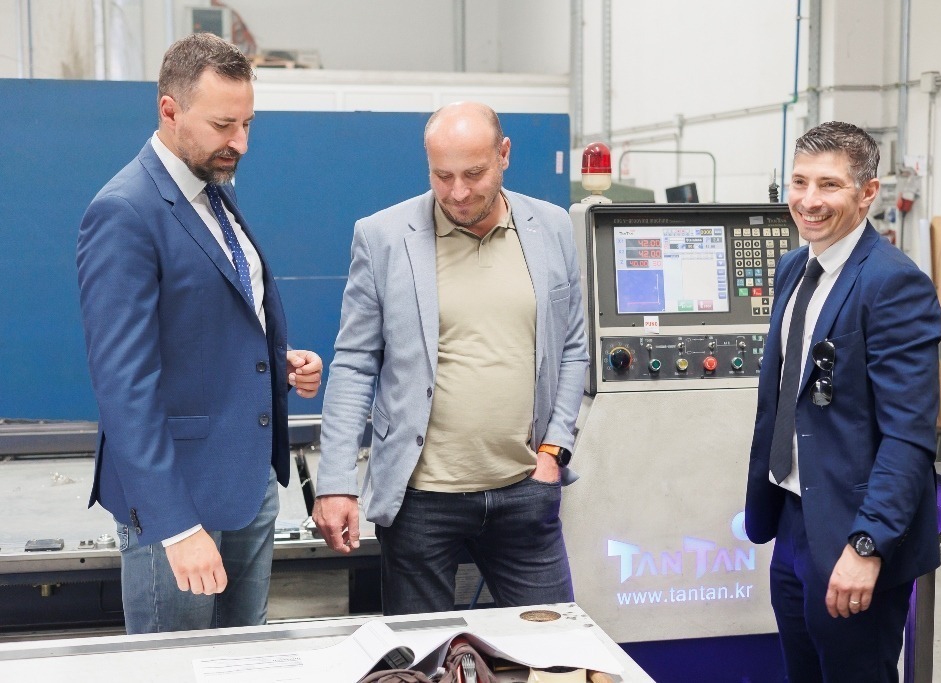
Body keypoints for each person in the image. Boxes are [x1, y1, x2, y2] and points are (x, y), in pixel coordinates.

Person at [77, 33, 322, 634]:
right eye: (222, 125)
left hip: (248, 484)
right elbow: (124, 388)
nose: (240, 142)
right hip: (178, 500)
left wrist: (277, 361)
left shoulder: (212, 193)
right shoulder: (125, 211)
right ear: (170, 110)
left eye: (247, 124)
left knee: (244, 659)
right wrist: (176, 526)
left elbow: (207, 324)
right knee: (176, 665)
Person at [313, 101, 588, 616]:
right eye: (442, 176)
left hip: (524, 492)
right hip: (421, 502)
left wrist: (554, 451)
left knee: (553, 645)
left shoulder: (550, 228)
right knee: (425, 654)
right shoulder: (383, 237)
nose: (458, 193)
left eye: (474, 174)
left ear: (504, 155)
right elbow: (354, 364)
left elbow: (573, 347)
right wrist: (335, 482)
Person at [743, 120, 941, 681]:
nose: (809, 201)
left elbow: (908, 436)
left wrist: (867, 544)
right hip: (793, 517)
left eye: (829, 185)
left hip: (854, 531)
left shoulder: (893, 285)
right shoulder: (795, 268)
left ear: (867, 192)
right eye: (800, 182)